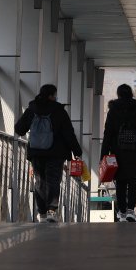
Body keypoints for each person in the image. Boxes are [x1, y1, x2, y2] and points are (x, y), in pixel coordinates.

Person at [15, 84, 82, 223]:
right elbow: (68, 133)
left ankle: (42, 213)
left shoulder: (32, 109)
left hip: (37, 152)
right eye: (55, 94)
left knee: (40, 181)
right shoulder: (59, 111)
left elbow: (19, 129)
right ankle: (52, 210)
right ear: (52, 96)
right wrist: (77, 151)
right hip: (56, 153)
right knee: (53, 179)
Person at [100, 84, 136, 222]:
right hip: (135, 152)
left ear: (118, 95)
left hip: (117, 153)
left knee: (120, 182)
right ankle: (131, 210)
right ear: (131, 95)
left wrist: (104, 155)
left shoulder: (113, 112)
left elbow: (108, 134)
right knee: (133, 182)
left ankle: (122, 213)